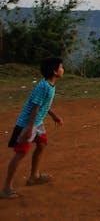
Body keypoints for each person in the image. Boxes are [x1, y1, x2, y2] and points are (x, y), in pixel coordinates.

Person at [3, 57, 65, 199]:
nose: (63, 69)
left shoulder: (50, 85)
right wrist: (29, 128)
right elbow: (35, 108)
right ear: (55, 71)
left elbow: (44, 105)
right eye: (61, 67)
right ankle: (6, 188)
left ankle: (34, 177)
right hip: (28, 124)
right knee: (20, 154)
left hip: (37, 123)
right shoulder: (43, 87)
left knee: (42, 144)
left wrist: (54, 116)